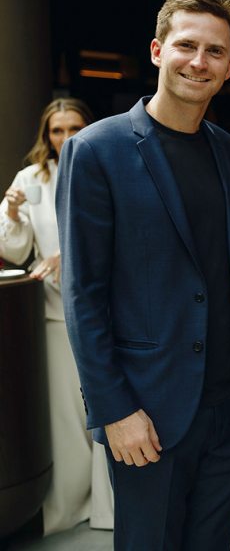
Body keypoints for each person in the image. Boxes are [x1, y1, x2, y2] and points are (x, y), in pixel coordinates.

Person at [56, 0, 230, 550]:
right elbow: (83, 294)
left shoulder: (226, 151)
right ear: (157, 49)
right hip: (147, 412)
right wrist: (115, 410)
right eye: (186, 45)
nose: (199, 61)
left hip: (227, 408)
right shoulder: (96, 150)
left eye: (215, 51)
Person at [0, 98, 114, 534]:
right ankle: (69, 507)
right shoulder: (32, 178)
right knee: (66, 418)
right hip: (50, 313)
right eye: (57, 130)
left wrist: (72, 257)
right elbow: (13, 251)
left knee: (108, 411)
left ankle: (111, 509)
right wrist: (11, 211)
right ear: (46, 136)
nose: (65, 138)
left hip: (104, 312)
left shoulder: (106, 166)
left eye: (74, 128)